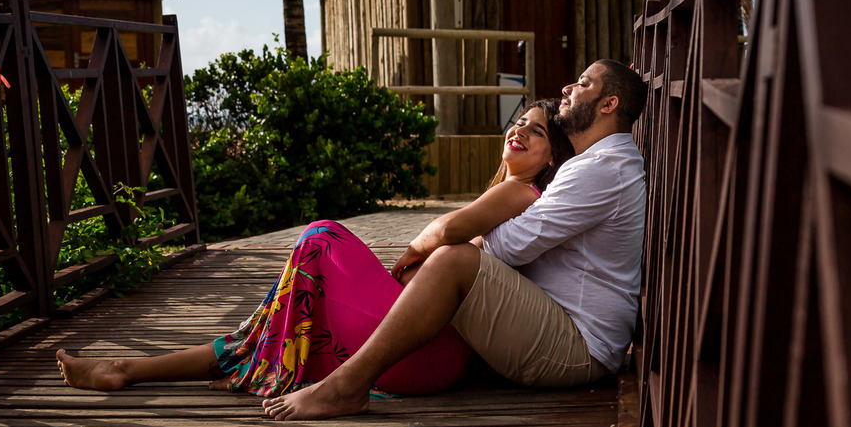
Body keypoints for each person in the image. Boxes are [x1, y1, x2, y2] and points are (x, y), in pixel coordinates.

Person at [55, 99, 575, 398]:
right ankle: (124, 369)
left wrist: (409, 251)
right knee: (280, 323)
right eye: (520, 122)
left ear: (552, 158)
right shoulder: (506, 191)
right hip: (424, 351)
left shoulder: (522, 191)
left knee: (321, 237)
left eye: (539, 132)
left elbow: (442, 233)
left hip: (427, 350)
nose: (522, 132)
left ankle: (131, 369)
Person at [260, 59, 648, 420]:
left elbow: (509, 246)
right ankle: (302, 365)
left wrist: (436, 246)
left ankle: (346, 387)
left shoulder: (602, 169)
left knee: (453, 260)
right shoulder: (597, 163)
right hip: (567, 329)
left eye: (583, 84)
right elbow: (510, 242)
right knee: (449, 259)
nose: (568, 88)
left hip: (581, 347)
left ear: (608, 104)